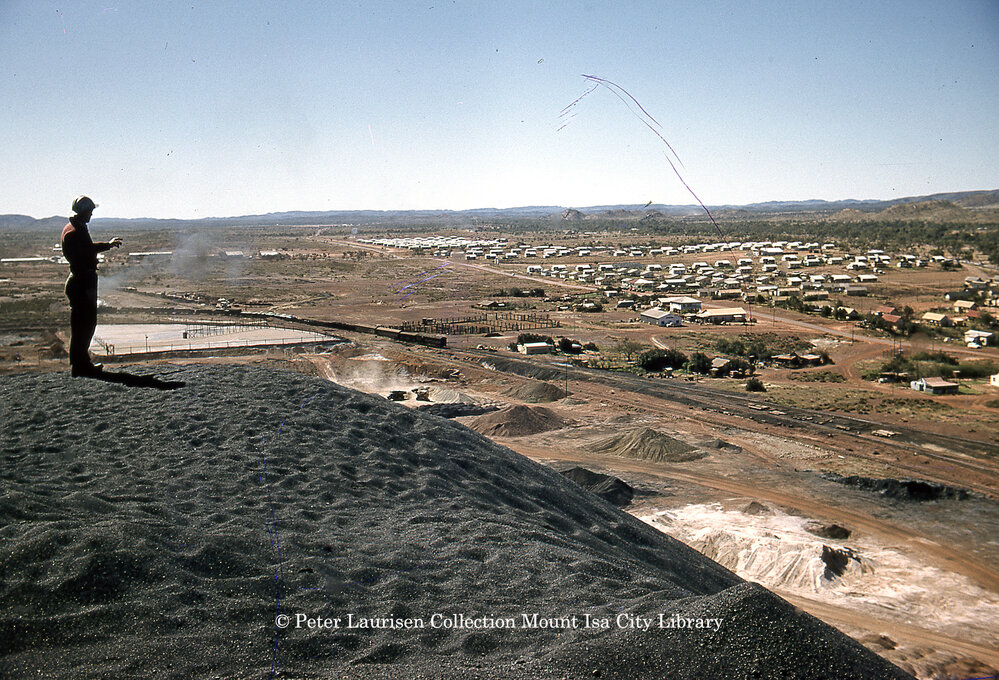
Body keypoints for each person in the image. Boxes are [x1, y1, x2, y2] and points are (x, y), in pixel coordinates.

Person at [61, 196, 122, 376]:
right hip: (81, 282)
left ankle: (80, 363)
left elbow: (87, 247)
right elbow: (87, 250)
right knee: (85, 325)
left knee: (82, 325)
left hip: (81, 281)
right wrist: (107, 246)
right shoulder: (74, 232)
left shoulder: (74, 228)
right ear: (84, 211)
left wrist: (107, 245)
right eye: (90, 211)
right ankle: (81, 365)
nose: (91, 214)